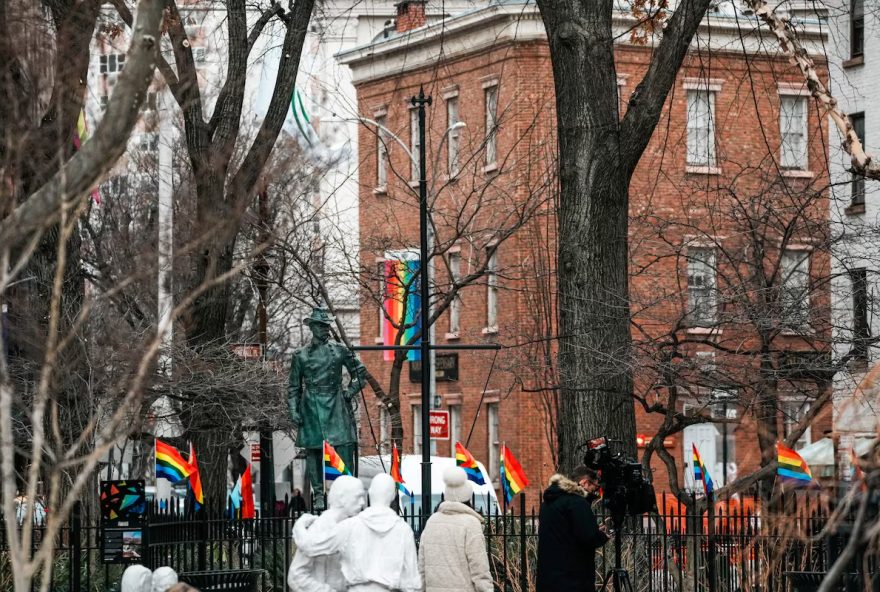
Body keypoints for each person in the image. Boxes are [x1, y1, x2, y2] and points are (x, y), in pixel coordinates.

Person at [287, 307, 366, 506]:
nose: (326, 329)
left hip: (337, 403)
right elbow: (294, 387)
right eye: (321, 325)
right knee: (314, 450)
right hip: (311, 405)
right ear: (312, 327)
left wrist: (350, 391)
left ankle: (346, 490)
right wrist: (294, 410)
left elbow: (360, 372)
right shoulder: (301, 355)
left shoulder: (339, 350)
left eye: (327, 325)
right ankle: (319, 496)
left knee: (344, 446)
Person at [331, 474, 421, 592]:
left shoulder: (349, 526)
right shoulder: (403, 530)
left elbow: (323, 555)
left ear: (370, 492)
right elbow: (411, 580)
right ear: (393, 496)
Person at [418, 467, 493, 592]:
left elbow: (421, 567)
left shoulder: (432, 521)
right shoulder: (471, 523)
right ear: (468, 496)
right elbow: (479, 569)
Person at [536, 466, 610, 592]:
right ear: (585, 483)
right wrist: (601, 535)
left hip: (548, 577)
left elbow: (565, 532)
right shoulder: (577, 503)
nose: (595, 492)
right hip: (573, 578)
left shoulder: (548, 503)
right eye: (595, 487)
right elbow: (588, 537)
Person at [288, 475, 365, 592]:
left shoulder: (350, 526)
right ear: (342, 498)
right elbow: (296, 575)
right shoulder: (320, 527)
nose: (362, 502)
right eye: (358, 497)